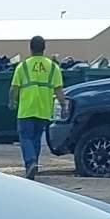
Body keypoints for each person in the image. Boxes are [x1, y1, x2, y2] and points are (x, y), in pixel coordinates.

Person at [10, 34, 65, 178]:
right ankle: (33, 166)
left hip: (26, 109)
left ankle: (30, 162)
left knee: (25, 137)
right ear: (44, 48)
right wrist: (64, 106)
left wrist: (12, 101)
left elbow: (14, 88)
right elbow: (58, 90)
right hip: (44, 109)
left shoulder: (23, 66)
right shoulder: (53, 67)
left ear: (30, 48)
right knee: (36, 138)